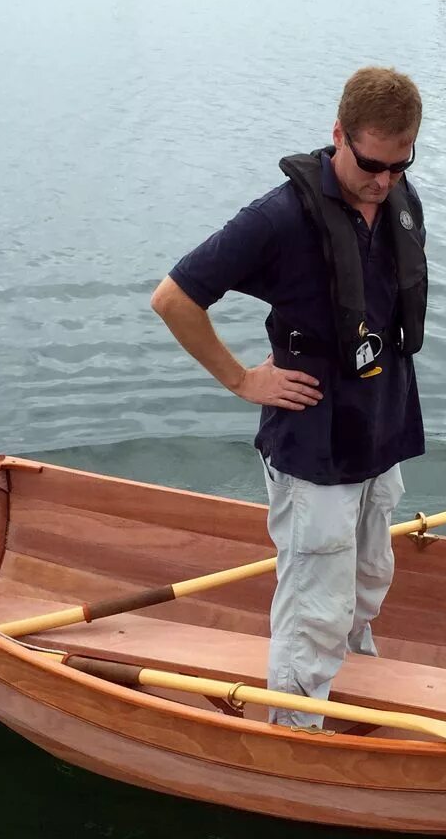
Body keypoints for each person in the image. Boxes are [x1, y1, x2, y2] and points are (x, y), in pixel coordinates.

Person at [150, 65, 428, 730]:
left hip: (379, 432)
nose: (385, 180)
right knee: (315, 606)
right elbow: (174, 299)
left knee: (367, 582)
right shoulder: (277, 218)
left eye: (400, 164)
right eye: (371, 164)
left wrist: (390, 182)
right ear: (338, 134)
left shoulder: (397, 199)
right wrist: (242, 379)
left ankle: (353, 691)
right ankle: (294, 734)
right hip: (313, 447)